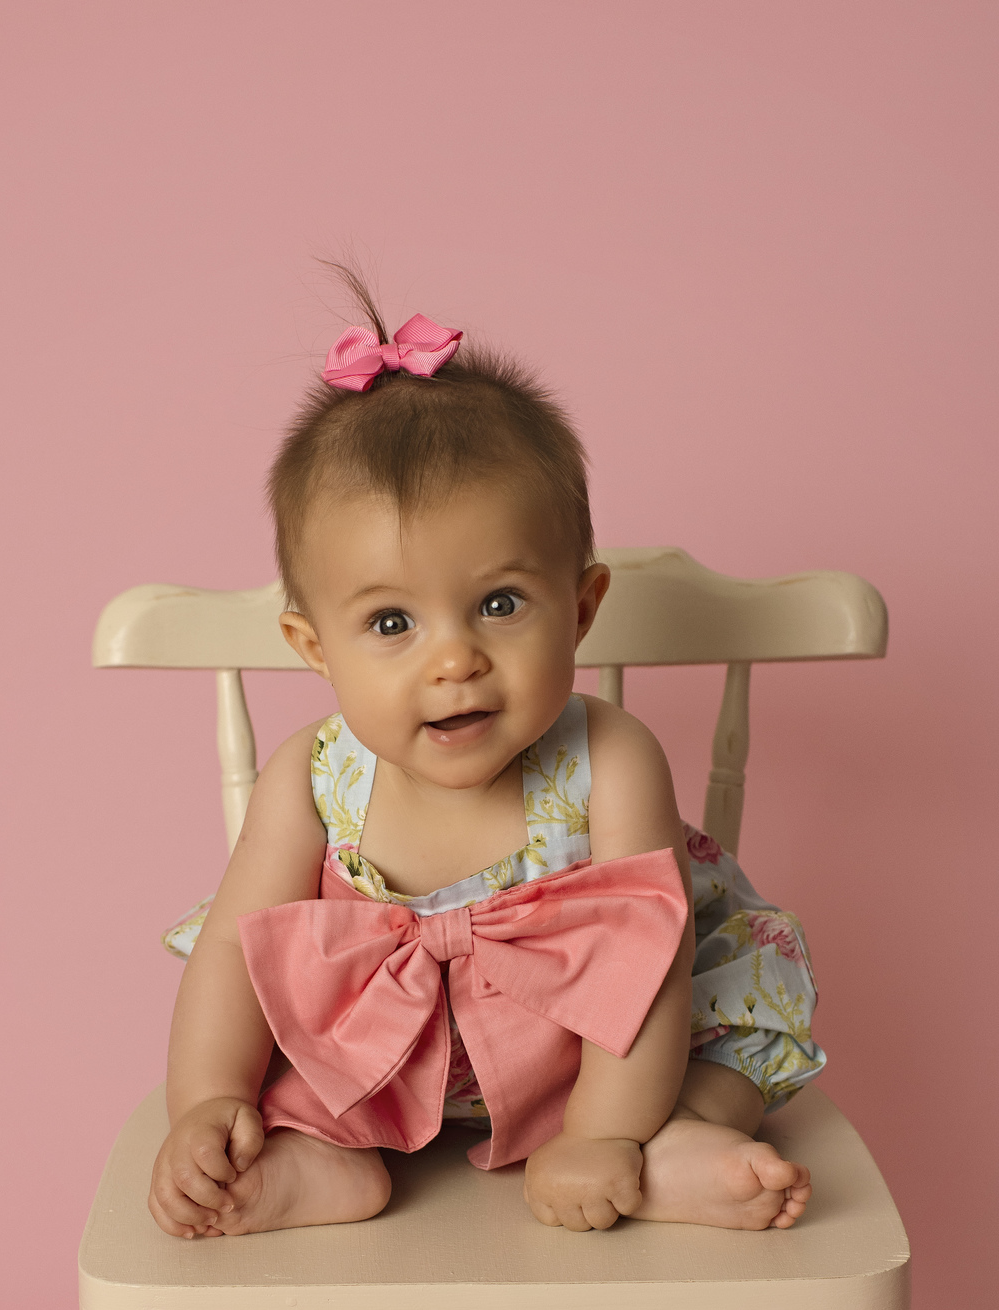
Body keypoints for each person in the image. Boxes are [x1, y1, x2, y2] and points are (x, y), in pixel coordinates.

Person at [149, 279, 823, 1241]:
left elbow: (651, 967)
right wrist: (207, 1103)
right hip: (392, 1055)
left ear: (582, 607)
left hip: (606, 1059)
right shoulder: (310, 777)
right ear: (313, 648)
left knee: (729, 1048)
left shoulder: (612, 757)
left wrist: (602, 1135)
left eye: (501, 604)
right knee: (289, 1061)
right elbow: (229, 952)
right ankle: (320, 1168)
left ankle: (670, 1147)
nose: (455, 659)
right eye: (391, 622)